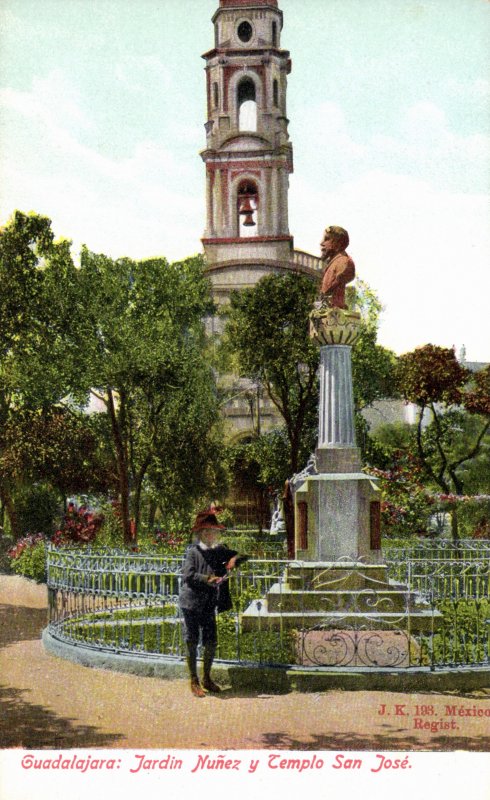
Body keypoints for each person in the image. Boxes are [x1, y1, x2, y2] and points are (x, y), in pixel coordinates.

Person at [179, 509, 248, 697]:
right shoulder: (193, 552)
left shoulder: (218, 551)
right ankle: (194, 680)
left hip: (208, 603)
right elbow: (188, 575)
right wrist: (208, 579)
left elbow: (243, 554)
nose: (213, 535)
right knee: (192, 641)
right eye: (209, 531)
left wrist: (232, 561)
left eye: (215, 531)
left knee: (211, 642)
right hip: (191, 602)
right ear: (202, 533)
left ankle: (207, 678)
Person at [319, 225, 355, 309]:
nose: (321, 243)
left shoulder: (344, 262)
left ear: (337, 243)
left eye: (327, 239)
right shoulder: (333, 263)